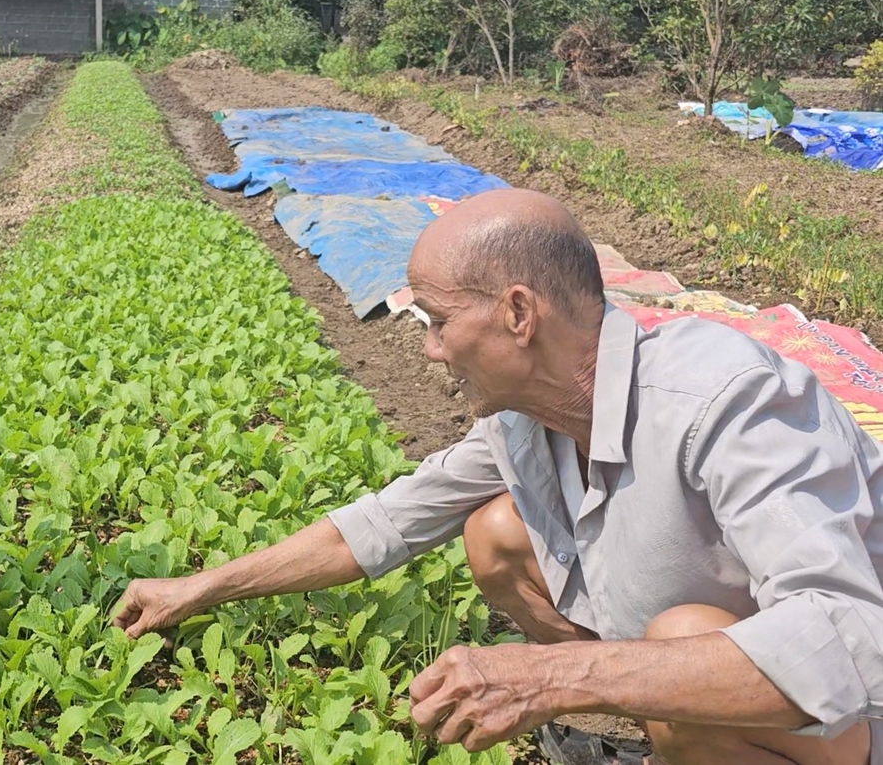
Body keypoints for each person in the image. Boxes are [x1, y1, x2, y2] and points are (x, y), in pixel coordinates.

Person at [111, 188, 883, 765]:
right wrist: (199, 588)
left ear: (518, 313)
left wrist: (556, 675)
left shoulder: (726, 397)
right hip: (721, 664)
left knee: (680, 642)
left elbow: (849, 644)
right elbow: (388, 521)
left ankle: (680, 731)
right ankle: (650, 726)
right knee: (497, 534)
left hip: (851, 713)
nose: (431, 351)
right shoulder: (527, 418)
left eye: (439, 322)